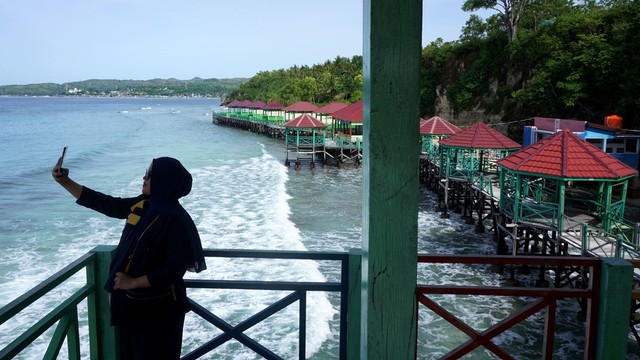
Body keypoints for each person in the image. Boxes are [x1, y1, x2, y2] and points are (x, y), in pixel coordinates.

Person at [52, 156, 207, 360]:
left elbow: (173, 269)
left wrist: (133, 282)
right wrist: (65, 182)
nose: (144, 178)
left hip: (159, 312)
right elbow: (109, 205)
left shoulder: (175, 219)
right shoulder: (145, 205)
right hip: (134, 308)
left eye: (150, 174)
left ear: (164, 180)